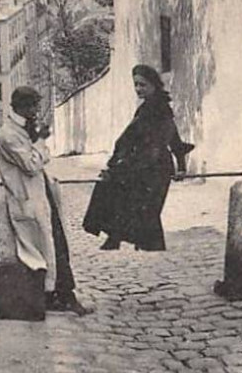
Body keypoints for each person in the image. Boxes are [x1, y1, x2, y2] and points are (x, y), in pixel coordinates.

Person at [0, 86, 90, 315]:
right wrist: (40, 143)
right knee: (48, 248)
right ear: (22, 107)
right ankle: (61, 296)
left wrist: (39, 145)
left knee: (56, 244)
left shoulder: (23, 129)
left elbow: (40, 158)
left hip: (40, 194)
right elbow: (31, 164)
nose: (36, 111)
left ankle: (61, 295)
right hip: (27, 199)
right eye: (33, 106)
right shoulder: (9, 135)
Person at [83, 64, 194, 252]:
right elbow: (128, 139)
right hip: (143, 164)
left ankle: (124, 239)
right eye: (136, 85)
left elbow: (173, 139)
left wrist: (181, 167)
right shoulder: (146, 108)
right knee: (120, 194)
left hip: (156, 167)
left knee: (145, 208)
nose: (138, 89)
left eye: (142, 85)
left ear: (154, 85)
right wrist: (116, 162)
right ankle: (119, 237)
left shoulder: (160, 109)